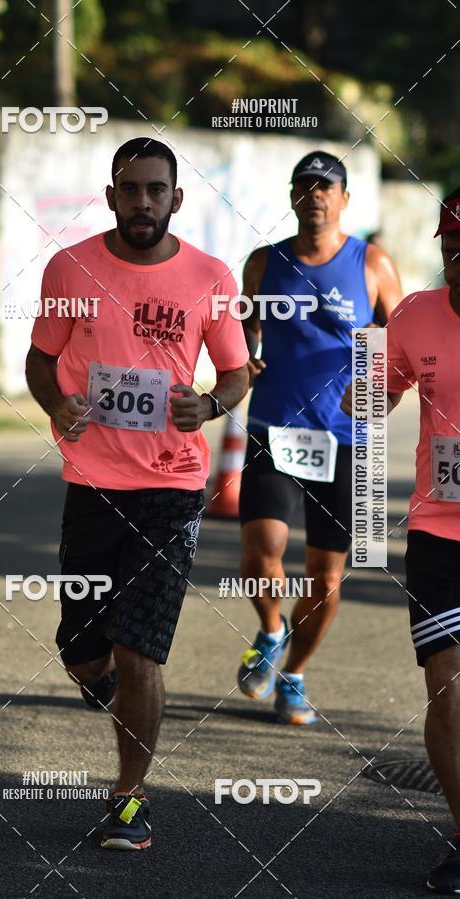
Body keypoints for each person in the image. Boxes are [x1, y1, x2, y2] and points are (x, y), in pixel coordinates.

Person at [25, 137, 249, 850]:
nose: (143, 202)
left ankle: (129, 799)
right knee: (82, 650)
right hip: (92, 484)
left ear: (175, 198)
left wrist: (208, 406)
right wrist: (56, 403)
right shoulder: (71, 268)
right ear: (111, 196)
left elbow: (237, 372)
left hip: (172, 487)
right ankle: (102, 684)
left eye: (156, 190)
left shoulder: (210, 276)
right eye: (131, 189)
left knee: (139, 650)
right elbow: (40, 359)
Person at [236, 150, 403, 724]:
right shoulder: (264, 263)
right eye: (305, 186)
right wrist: (246, 359)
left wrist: (378, 374)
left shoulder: (373, 264)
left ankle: (296, 674)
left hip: (346, 439)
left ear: (344, 199)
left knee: (326, 574)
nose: (315, 196)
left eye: (326, 187)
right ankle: (271, 629)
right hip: (274, 428)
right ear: (292, 197)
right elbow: (245, 328)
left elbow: (399, 342)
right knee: (261, 550)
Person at [342, 188, 460, 894]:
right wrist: (365, 397)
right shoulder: (415, 314)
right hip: (438, 530)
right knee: (446, 682)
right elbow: (383, 387)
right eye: (455, 246)